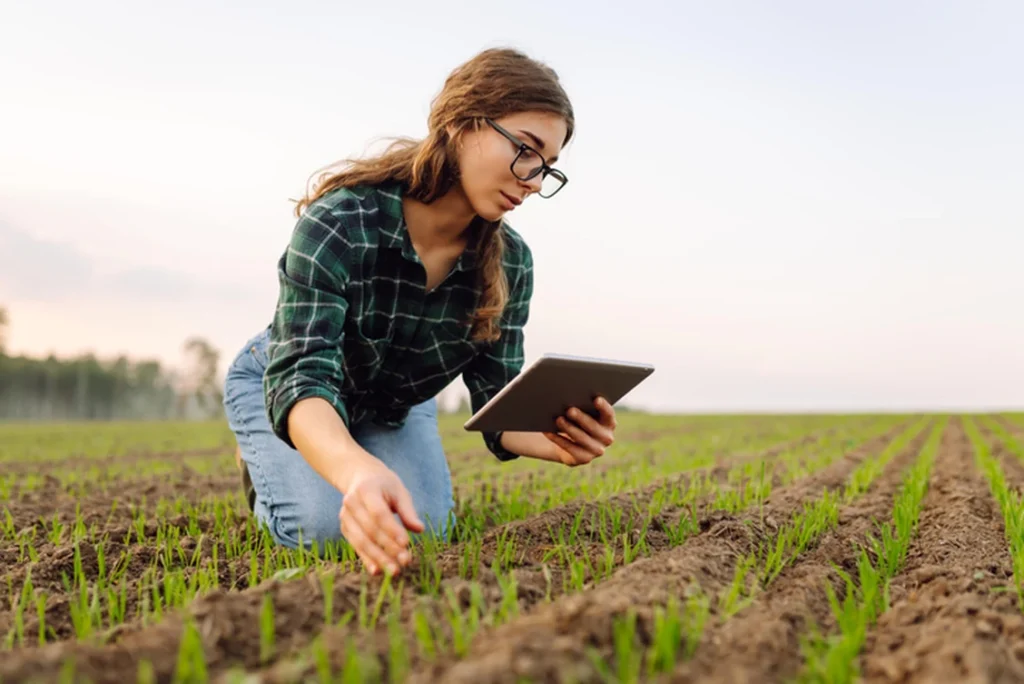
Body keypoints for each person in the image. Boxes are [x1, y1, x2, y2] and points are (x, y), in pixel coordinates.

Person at [222, 47, 618, 577]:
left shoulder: (511, 263)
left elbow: (495, 398)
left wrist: (547, 435)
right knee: (323, 532)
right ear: (461, 123)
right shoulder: (343, 221)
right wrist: (357, 471)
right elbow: (304, 375)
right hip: (296, 384)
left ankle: (344, 452)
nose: (532, 179)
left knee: (420, 528)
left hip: (395, 401)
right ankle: (269, 457)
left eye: (547, 168)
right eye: (526, 150)